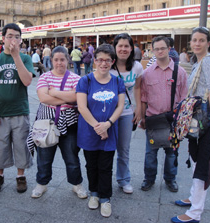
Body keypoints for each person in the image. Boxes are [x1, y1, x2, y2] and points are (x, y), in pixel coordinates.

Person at [171, 27, 210, 223]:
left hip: (206, 120)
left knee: (202, 166)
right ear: (190, 43)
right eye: (194, 40)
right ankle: (193, 198)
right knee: (195, 161)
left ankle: (195, 213)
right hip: (199, 119)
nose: (197, 43)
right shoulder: (199, 61)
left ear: (208, 43)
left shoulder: (207, 61)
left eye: (202, 40)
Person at [0, 23, 35, 194]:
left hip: (20, 110)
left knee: (21, 145)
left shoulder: (25, 58)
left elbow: (27, 81)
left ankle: (20, 176)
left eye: (17, 37)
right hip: (0, 112)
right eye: (10, 36)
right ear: (3, 39)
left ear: (21, 40)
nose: (13, 39)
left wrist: (16, 56)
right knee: (0, 145)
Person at [30, 46, 87, 199]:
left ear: (68, 60)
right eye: (56, 60)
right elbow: (43, 98)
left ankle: (77, 184)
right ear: (52, 60)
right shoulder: (45, 77)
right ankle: (41, 184)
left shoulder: (76, 78)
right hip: (47, 123)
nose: (59, 63)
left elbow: (77, 97)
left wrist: (54, 92)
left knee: (72, 157)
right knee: (44, 156)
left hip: (70, 124)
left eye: (62, 59)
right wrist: (66, 97)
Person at [76, 44, 125, 218]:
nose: (103, 63)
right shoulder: (85, 81)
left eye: (107, 60)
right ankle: (94, 193)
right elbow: (82, 107)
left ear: (112, 62)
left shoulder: (118, 81)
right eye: (100, 59)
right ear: (94, 60)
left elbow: (120, 106)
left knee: (105, 166)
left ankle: (105, 198)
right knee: (91, 165)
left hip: (109, 131)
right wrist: (99, 127)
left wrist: (108, 125)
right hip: (89, 131)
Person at [140, 36, 188, 193]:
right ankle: (149, 179)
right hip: (153, 120)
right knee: (150, 153)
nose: (160, 51)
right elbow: (143, 97)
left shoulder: (179, 72)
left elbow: (184, 98)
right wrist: (142, 117)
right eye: (157, 49)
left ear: (169, 49)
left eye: (163, 48)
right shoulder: (147, 73)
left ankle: (170, 179)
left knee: (172, 153)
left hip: (172, 121)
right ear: (153, 51)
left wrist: (181, 120)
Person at [110, 33, 143, 194]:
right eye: (120, 46)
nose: (123, 49)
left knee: (124, 149)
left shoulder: (137, 67)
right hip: (108, 114)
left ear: (131, 48)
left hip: (127, 113)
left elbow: (137, 88)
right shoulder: (107, 64)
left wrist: (138, 108)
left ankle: (124, 179)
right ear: (115, 48)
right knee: (106, 149)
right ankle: (103, 179)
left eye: (126, 46)